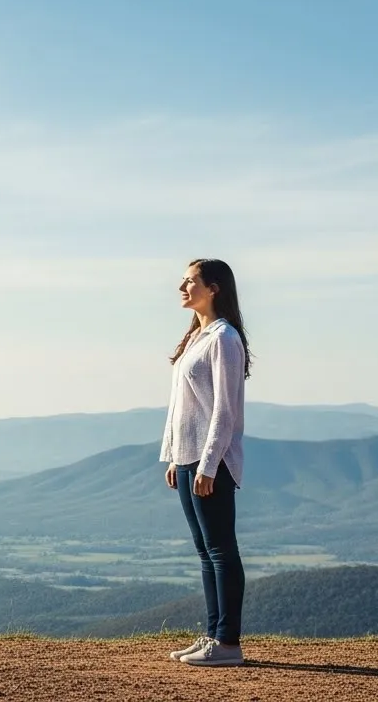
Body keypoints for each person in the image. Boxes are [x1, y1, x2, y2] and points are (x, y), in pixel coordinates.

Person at [160, 258, 251, 667]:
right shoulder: (198, 336)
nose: (182, 287)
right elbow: (180, 407)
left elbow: (224, 412)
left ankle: (228, 644)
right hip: (187, 458)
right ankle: (214, 635)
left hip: (208, 460)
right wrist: (173, 455)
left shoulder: (224, 338)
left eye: (190, 281)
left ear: (213, 288)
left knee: (220, 550)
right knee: (205, 551)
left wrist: (209, 464)